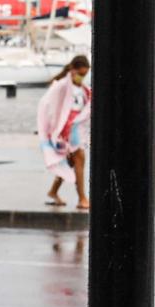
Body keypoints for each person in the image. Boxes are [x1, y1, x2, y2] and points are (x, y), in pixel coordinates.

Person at [37, 54, 91, 209]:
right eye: (80, 74)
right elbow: (48, 105)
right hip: (66, 131)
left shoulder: (83, 89)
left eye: (85, 75)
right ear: (73, 70)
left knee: (70, 162)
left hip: (76, 129)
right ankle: (82, 198)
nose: (82, 77)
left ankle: (53, 191)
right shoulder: (61, 86)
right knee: (79, 159)